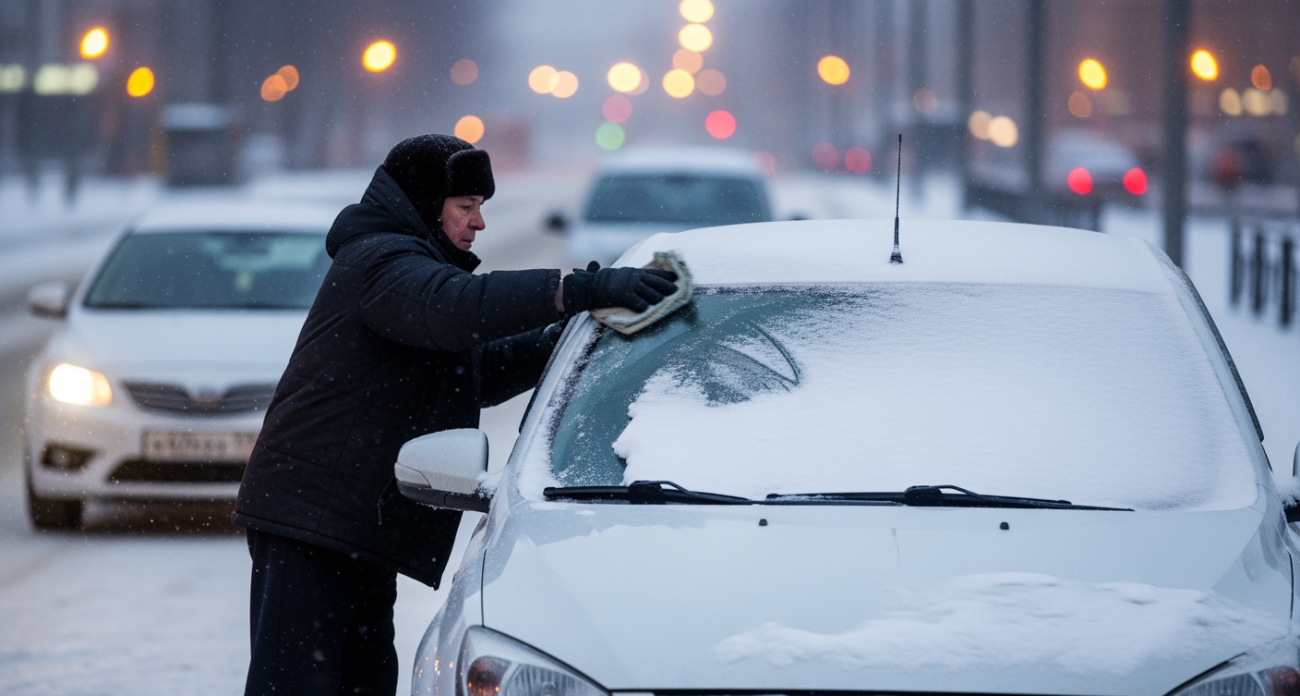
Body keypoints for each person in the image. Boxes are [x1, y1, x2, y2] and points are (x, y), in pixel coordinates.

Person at [233, 134, 677, 696]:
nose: (479, 222)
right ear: (426, 204)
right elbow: (458, 307)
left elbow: (475, 371)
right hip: (310, 522)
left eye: (481, 207)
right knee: (295, 683)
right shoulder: (381, 262)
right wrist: (576, 290)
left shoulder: (411, 273)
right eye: (466, 206)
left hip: (356, 523)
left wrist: (559, 340)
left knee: (365, 682)